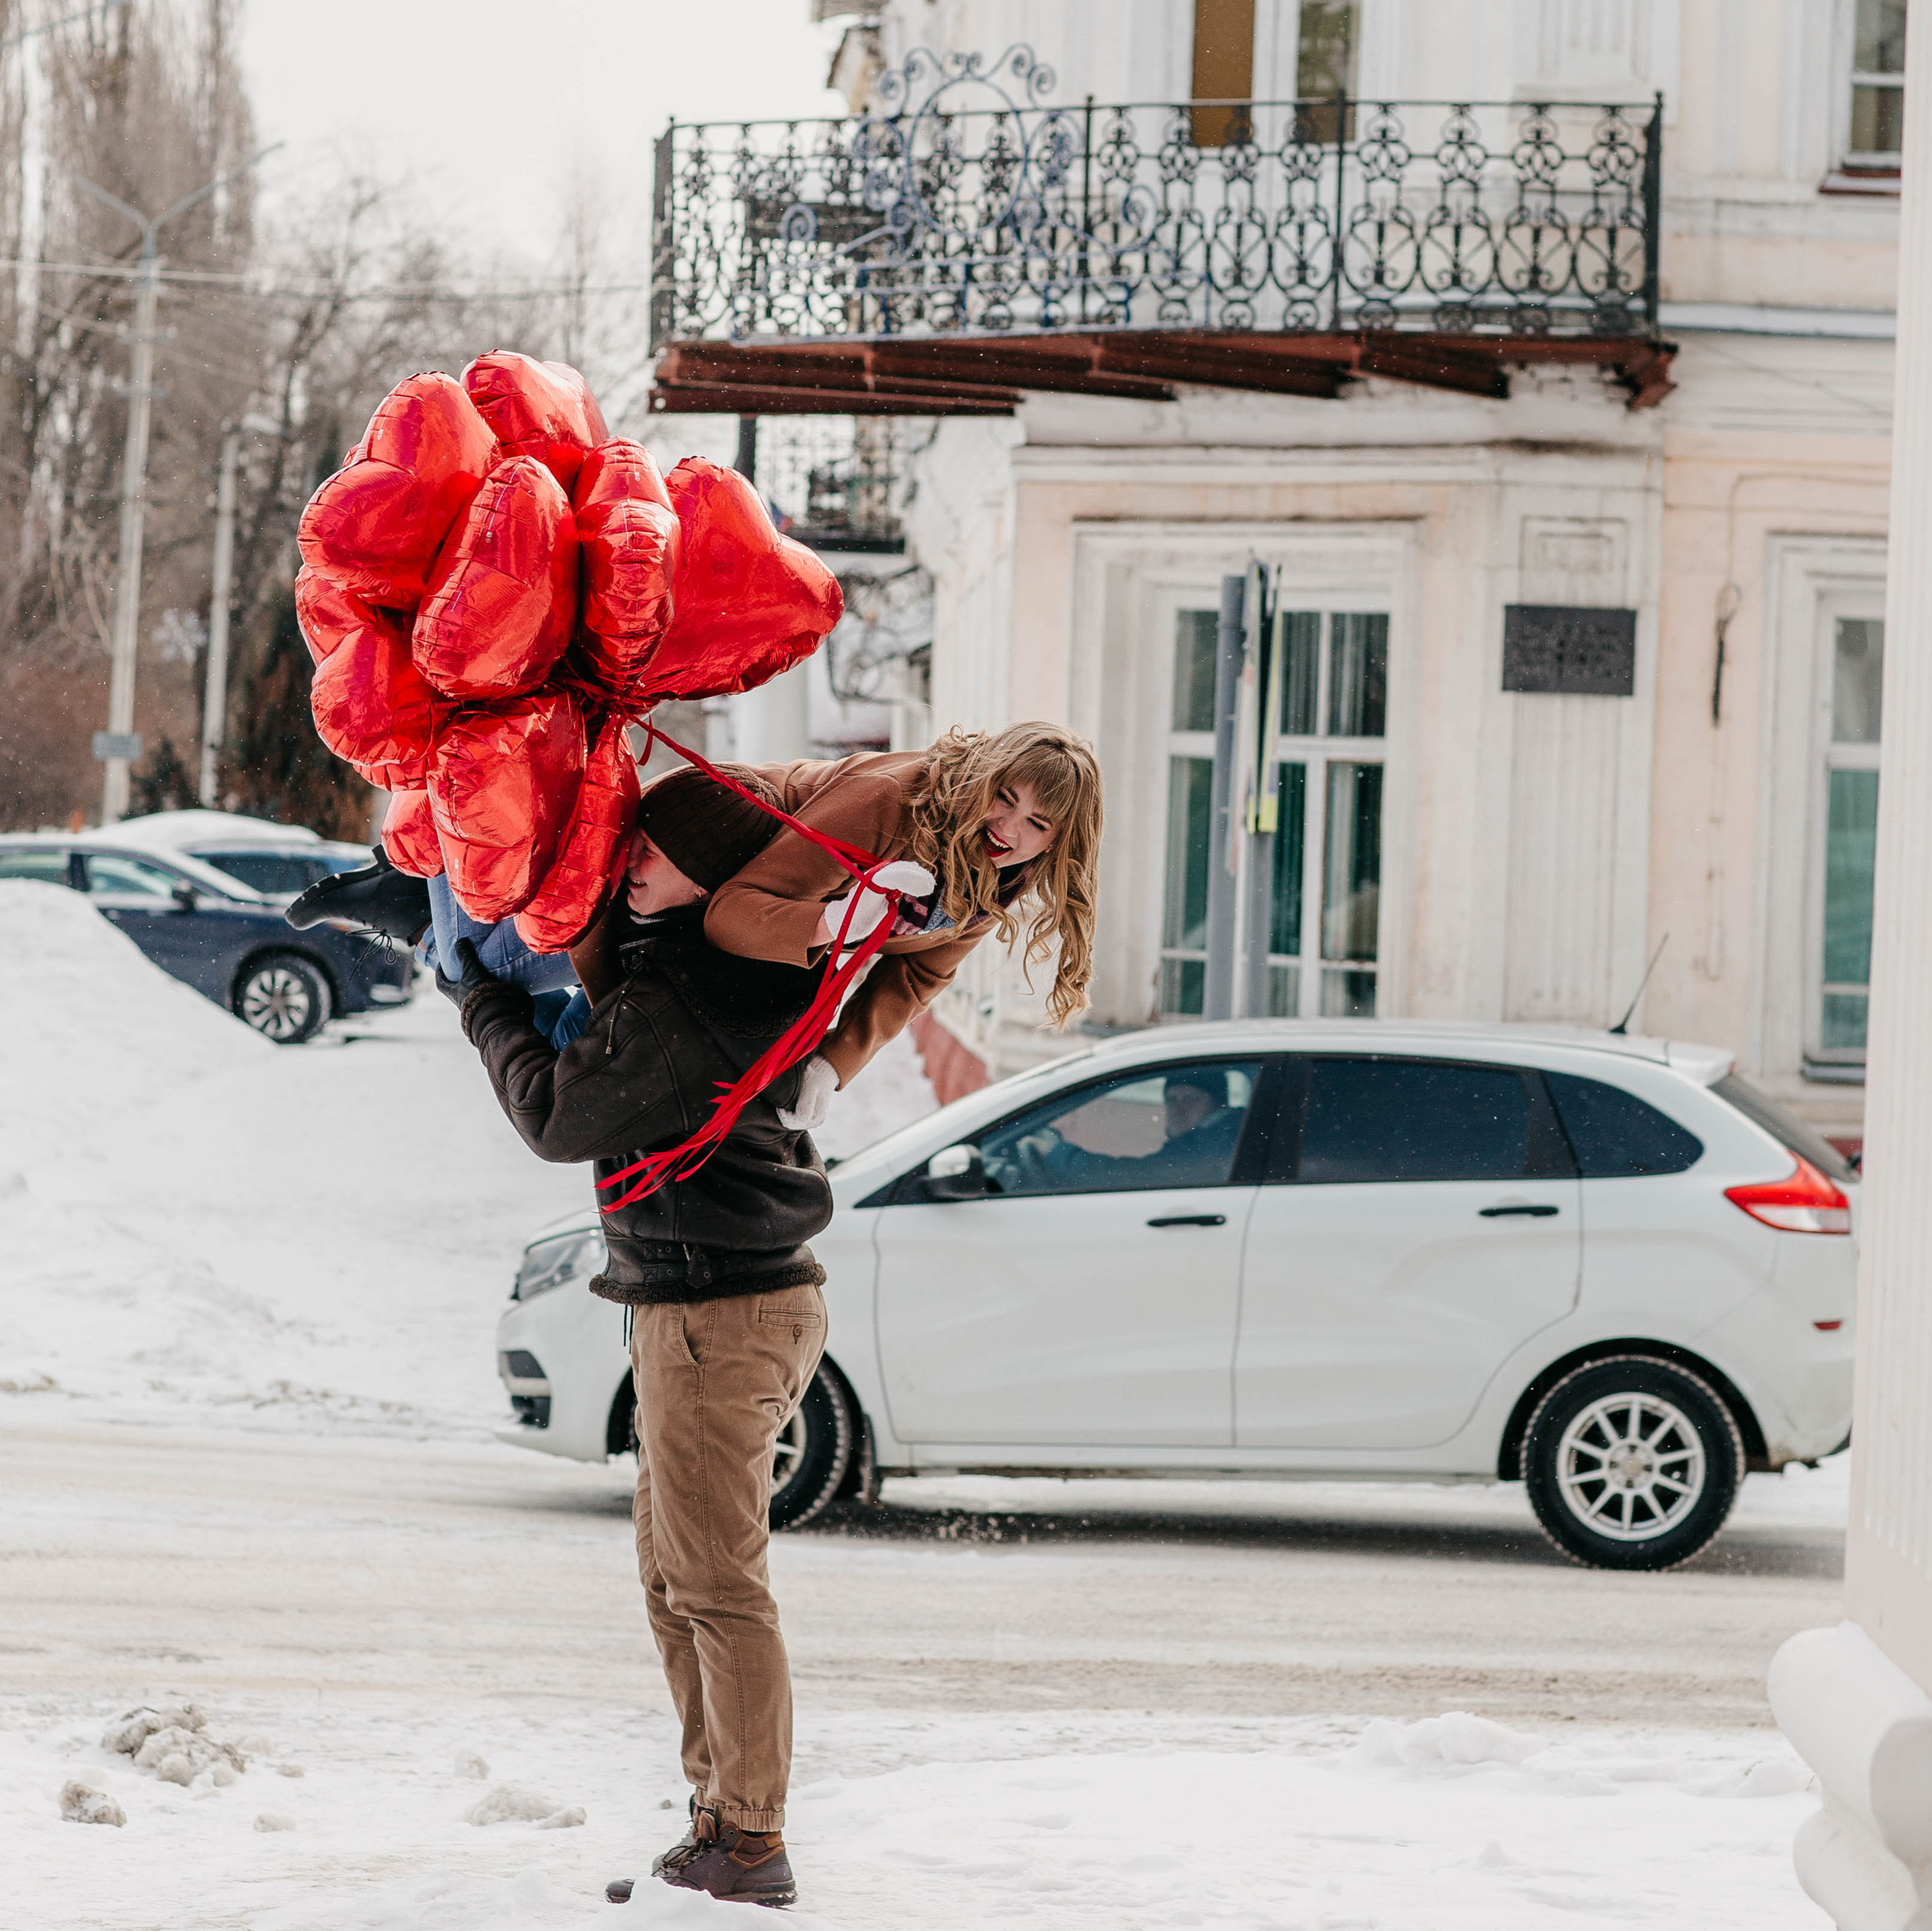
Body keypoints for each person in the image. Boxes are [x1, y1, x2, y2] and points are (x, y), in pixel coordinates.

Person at [447, 764, 832, 1908]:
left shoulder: (690, 991)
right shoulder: (678, 960)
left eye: (649, 854)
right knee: (675, 1578)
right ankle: (719, 1810)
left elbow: (562, 1115)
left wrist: (485, 1010)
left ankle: (751, 1833)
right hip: (694, 1299)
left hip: (722, 1305)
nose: (627, 868)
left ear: (710, 873)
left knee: (715, 1579)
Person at [297, 720, 1106, 1098]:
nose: (1010, 831)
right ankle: (428, 877)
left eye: (1039, 825)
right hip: (706, 849)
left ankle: (412, 907)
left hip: (745, 921)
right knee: (519, 959)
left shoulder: (985, 886)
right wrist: (830, 924)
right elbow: (739, 908)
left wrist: (833, 1066)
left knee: (564, 992)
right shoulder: (892, 804)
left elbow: (911, 982)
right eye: (1006, 800)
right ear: (984, 778)